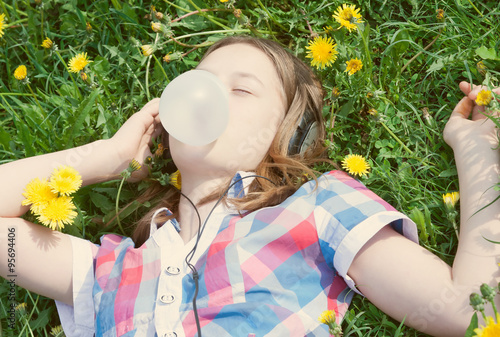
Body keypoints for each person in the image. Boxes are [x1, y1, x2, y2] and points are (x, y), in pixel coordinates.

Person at [0, 36, 499, 337]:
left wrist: (477, 151)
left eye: (240, 89)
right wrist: (103, 158)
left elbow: (467, 309)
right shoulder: (108, 268)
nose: (206, 97)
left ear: (289, 131)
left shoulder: (317, 208)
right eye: (198, 82)